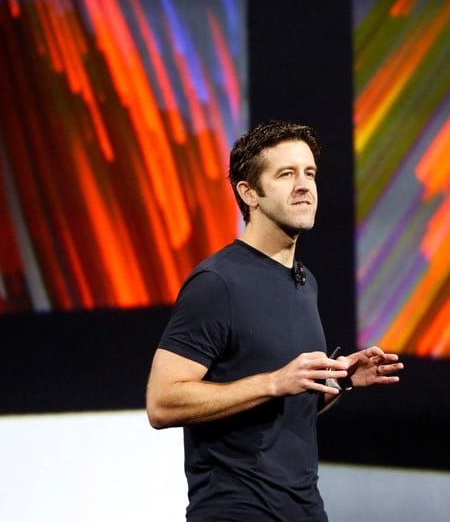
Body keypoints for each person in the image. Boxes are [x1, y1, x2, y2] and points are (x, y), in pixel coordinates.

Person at [146, 119, 403, 521]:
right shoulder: (217, 283)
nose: (304, 185)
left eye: (310, 173)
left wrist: (340, 380)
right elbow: (162, 402)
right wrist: (273, 381)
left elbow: (283, 408)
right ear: (250, 193)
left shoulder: (305, 282)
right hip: (237, 510)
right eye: (286, 174)